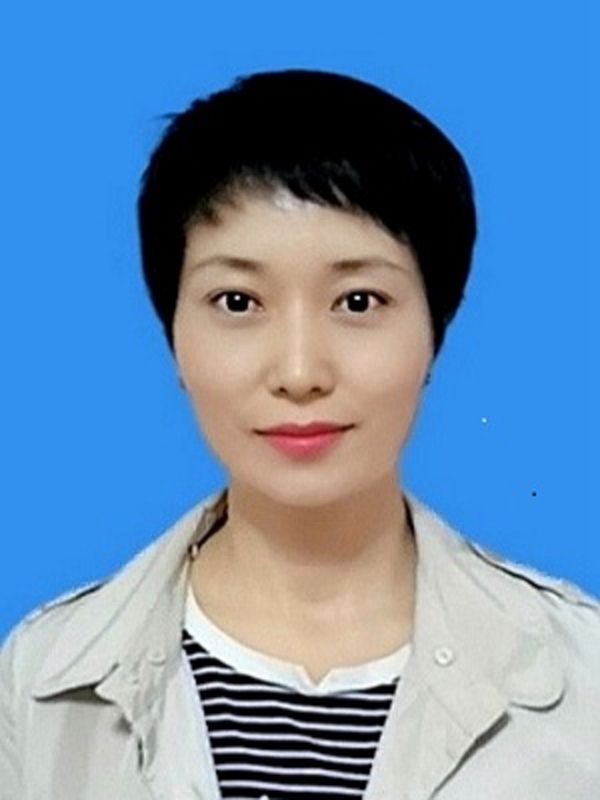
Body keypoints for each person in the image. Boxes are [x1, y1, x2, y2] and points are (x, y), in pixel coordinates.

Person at [1, 68, 599, 800]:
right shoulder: (40, 683)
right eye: (237, 301)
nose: (299, 372)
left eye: (358, 301)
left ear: (433, 332)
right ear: (174, 336)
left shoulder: (585, 681)